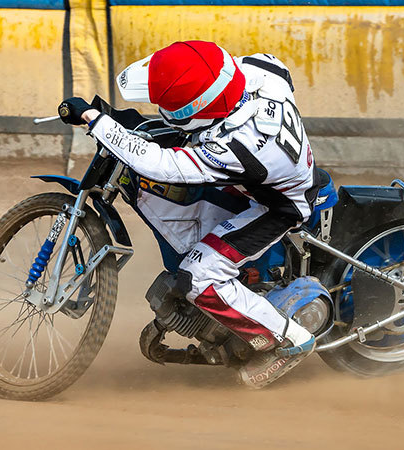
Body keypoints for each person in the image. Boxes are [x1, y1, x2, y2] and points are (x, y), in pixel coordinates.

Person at [58, 40, 317, 388]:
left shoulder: (236, 147)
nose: (166, 108)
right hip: (265, 168)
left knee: (198, 275)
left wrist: (95, 119)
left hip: (278, 205)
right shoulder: (262, 69)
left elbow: (161, 164)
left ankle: (288, 340)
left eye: (174, 106)